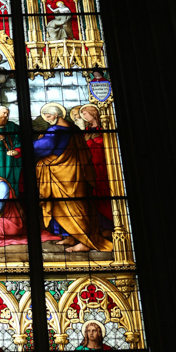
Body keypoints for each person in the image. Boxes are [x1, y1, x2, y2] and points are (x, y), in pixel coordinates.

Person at [33, 102, 113, 252]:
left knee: (74, 206)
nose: (47, 118)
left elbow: (44, 147)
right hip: (73, 170)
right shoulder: (73, 128)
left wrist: (27, 144)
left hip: (63, 172)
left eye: (48, 115)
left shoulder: (55, 130)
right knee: (64, 205)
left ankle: (86, 242)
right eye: (45, 116)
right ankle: (71, 236)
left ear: (56, 115)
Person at [80, 103, 113, 228]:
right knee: (92, 193)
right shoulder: (87, 131)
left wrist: (93, 142)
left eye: (85, 113)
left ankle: (109, 224)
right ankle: (98, 226)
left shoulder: (102, 128)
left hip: (101, 165)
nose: (84, 116)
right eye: (82, 114)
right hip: (89, 165)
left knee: (102, 191)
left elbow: (107, 143)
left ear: (93, 113)